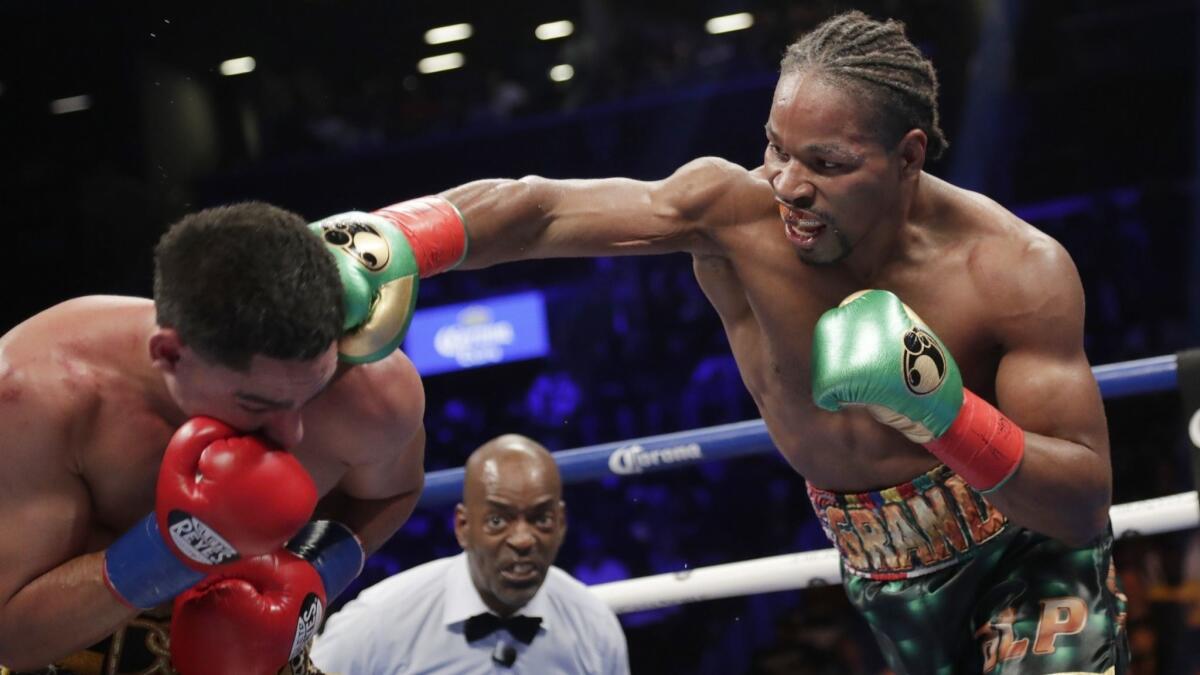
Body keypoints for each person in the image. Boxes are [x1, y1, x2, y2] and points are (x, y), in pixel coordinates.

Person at [311, 10, 1129, 673]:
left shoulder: (1014, 270)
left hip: (1025, 554)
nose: (788, 183)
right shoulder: (736, 216)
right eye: (775, 146)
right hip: (882, 573)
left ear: (907, 156)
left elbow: (1082, 500)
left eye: (827, 162)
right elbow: (540, 209)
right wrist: (393, 241)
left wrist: (946, 413)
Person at [0, 202, 427, 674]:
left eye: (307, 395)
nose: (293, 432)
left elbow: (396, 490)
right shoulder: (36, 397)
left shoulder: (370, 395)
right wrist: (174, 550)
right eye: (258, 404)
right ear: (169, 354)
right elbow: (10, 641)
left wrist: (317, 572)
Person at [311, 434, 630, 674]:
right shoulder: (377, 621)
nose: (522, 539)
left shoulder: (593, 626)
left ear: (561, 523)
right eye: (497, 521)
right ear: (463, 526)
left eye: (541, 519)